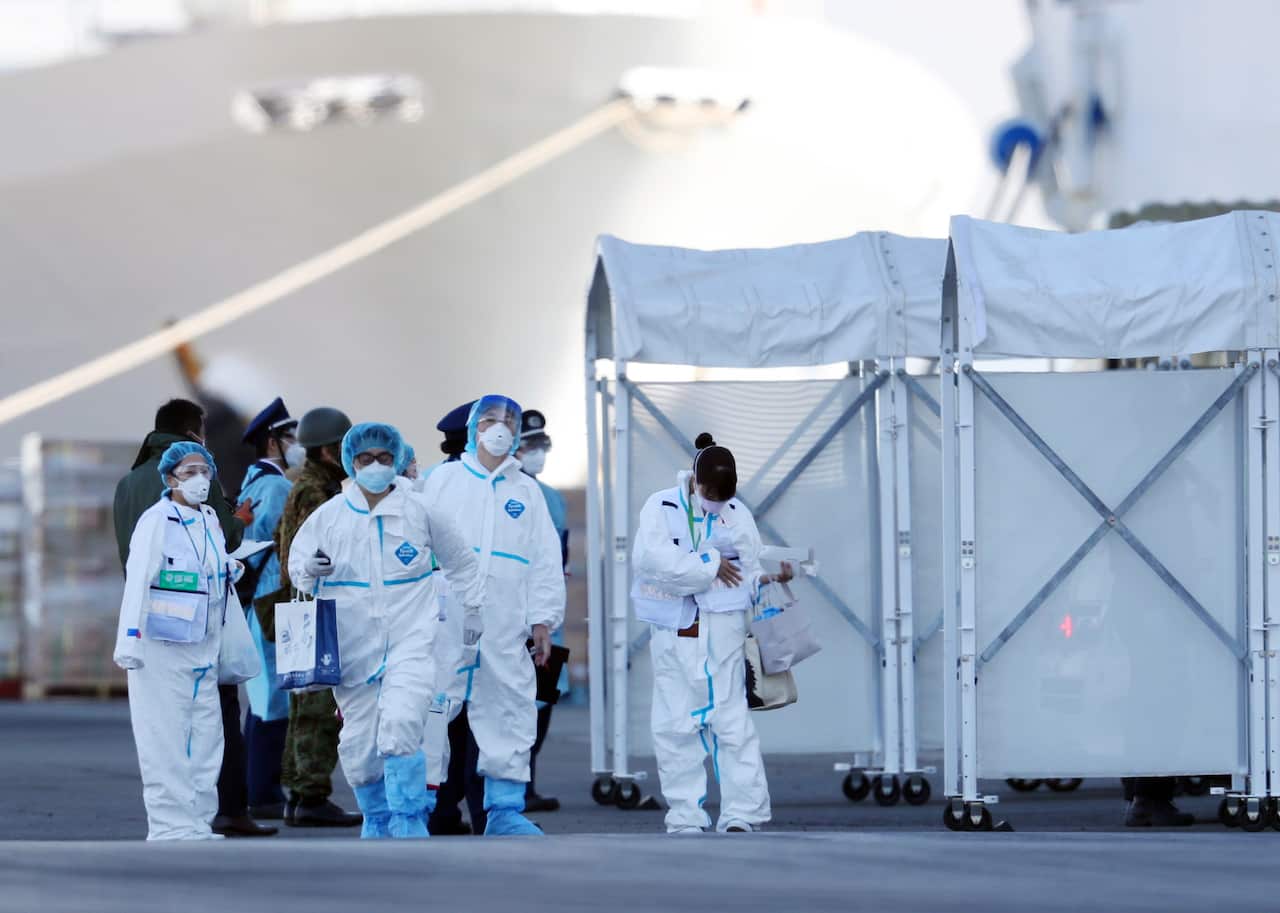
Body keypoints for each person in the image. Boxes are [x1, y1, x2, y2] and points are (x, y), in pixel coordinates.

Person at [289, 422, 485, 839]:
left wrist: (470, 616)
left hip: (411, 642)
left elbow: (463, 564)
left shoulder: (421, 511)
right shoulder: (330, 517)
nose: (375, 465)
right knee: (358, 746)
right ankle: (376, 819)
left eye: (383, 458)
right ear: (350, 462)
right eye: (365, 459)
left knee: (401, 724)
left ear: (395, 460)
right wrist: (310, 569)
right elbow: (298, 567)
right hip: (353, 647)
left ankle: (409, 818)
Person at [112, 399, 274, 838]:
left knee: (207, 738)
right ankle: (168, 824)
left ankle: (198, 821)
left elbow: (211, 565)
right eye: (189, 473)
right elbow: (139, 577)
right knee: (164, 737)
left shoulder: (205, 521)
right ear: (169, 478)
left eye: (205, 472)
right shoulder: (155, 520)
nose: (200, 480)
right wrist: (129, 640)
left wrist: (230, 568)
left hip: (202, 644)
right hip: (161, 643)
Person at [417, 395, 565, 836]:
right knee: (429, 709)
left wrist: (543, 620)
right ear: (473, 428)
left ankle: (501, 811)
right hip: (446, 620)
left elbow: (544, 558)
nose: (500, 428)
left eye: (508, 422)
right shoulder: (441, 480)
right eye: (490, 420)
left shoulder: (527, 492)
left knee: (507, 710)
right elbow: (414, 545)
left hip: (504, 624)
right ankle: (415, 810)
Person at [631, 433, 791, 834]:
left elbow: (748, 568)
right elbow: (652, 561)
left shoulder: (737, 513)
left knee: (732, 724)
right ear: (696, 482)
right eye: (711, 495)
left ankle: (743, 813)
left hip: (722, 633)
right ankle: (684, 815)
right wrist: (709, 563)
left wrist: (770, 578)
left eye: (724, 497)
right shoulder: (661, 506)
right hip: (677, 632)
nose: (716, 504)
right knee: (674, 725)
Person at [259, 406, 363, 828]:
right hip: (313, 608)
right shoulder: (315, 491)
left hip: (305, 607)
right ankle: (310, 796)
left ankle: (301, 795)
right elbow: (304, 553)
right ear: (327, 451)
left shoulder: (313, 485)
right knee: (317, 706)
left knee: (309, 702)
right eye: (344, 447)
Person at [236, 397, 302, 820]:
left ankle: (253, 786)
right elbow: (283, 545)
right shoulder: (276, 487)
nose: (298, 444)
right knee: (273, 702)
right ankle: (263, 792)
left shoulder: (254, 483)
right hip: (271, 601)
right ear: (272, 442)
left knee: (262, 697)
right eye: (290, 436)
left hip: (256, 601)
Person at [424, 400, 488, 836]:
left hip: (452, 616)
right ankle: (469, 809)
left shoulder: (436, 481)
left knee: (450, 715)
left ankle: (444, 808)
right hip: (461, 614)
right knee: (468, 716)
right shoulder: (448, 483)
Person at [514, 409, 568, 813]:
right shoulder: (500, 491)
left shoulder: (553, 499)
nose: (538, 453)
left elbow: (559, 557)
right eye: (529, 446)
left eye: (541, 446)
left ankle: (528, 781)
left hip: (546, 613)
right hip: (511, 610)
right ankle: (507, 782)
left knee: (543, 699)